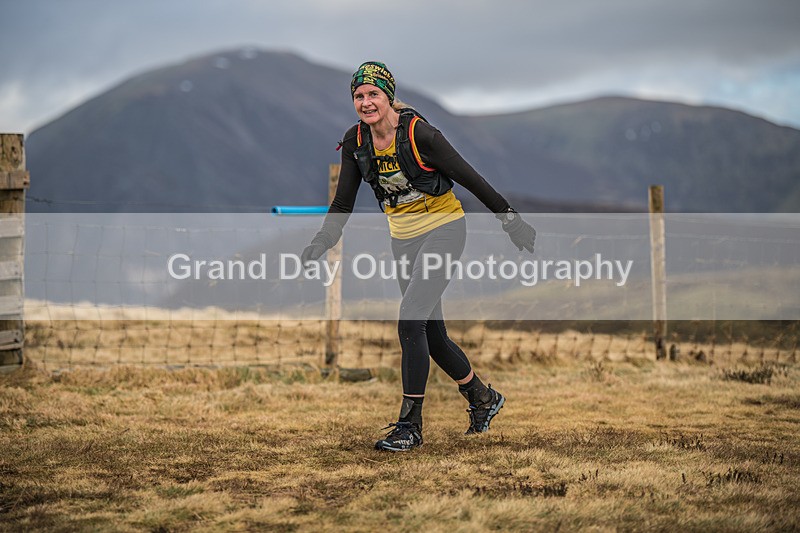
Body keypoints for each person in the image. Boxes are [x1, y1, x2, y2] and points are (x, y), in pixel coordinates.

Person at [301, 61, 536, 452]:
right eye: (358, 96)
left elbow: (470, 177)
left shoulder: (420, 134)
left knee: (410, 322)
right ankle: (482, 398)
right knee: (431, 332)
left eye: (373, 94)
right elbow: (343, 201)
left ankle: (410, 426)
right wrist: (323, 239)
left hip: (444, 231)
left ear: (388, 96)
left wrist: (510, 219)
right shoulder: (356, 141)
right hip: (404, 240)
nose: (365, 102)